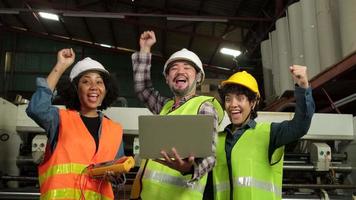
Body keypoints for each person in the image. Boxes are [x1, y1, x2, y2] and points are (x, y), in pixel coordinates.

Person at [130, 30, 224, 199]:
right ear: (167, 78)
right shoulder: (165, 107)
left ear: (198, 77)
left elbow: (210, 155)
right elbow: (142, 89)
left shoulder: (204, 107)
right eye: (174, 68)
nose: (180, 71)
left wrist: (189, 169)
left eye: (187, 68)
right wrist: (145, 49)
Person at [26, 48, 124, 199]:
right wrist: (60, 66)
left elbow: (118, 172)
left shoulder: (115, 130)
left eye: (99, 82)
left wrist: (116, 177)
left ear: (106, 90)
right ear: (75, 90)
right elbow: (36, 109)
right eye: (86, 81)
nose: (94, 87)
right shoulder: (59, 120)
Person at [209, 65, 315, 200]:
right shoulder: (217, 140)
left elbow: (300, 126)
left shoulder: (269, 134)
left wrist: (303, 86)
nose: (232, 104)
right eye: (228, 99)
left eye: (240, 98)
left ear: (252, 103)